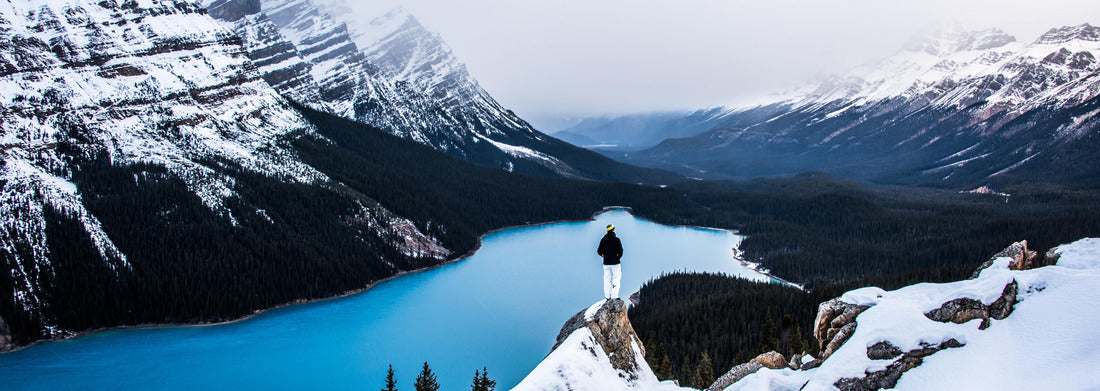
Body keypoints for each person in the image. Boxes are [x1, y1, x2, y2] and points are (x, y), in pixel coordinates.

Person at [596, 224, 623, 299]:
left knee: (607, 279)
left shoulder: (603, 240)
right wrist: (617, 257)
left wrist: (604, 256)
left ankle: (608, 296)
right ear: (613, 230)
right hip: (615, 263)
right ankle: (614, 296)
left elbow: (599, 251)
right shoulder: (616, 239)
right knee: (616, 279)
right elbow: (620, 251)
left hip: (606, 263)